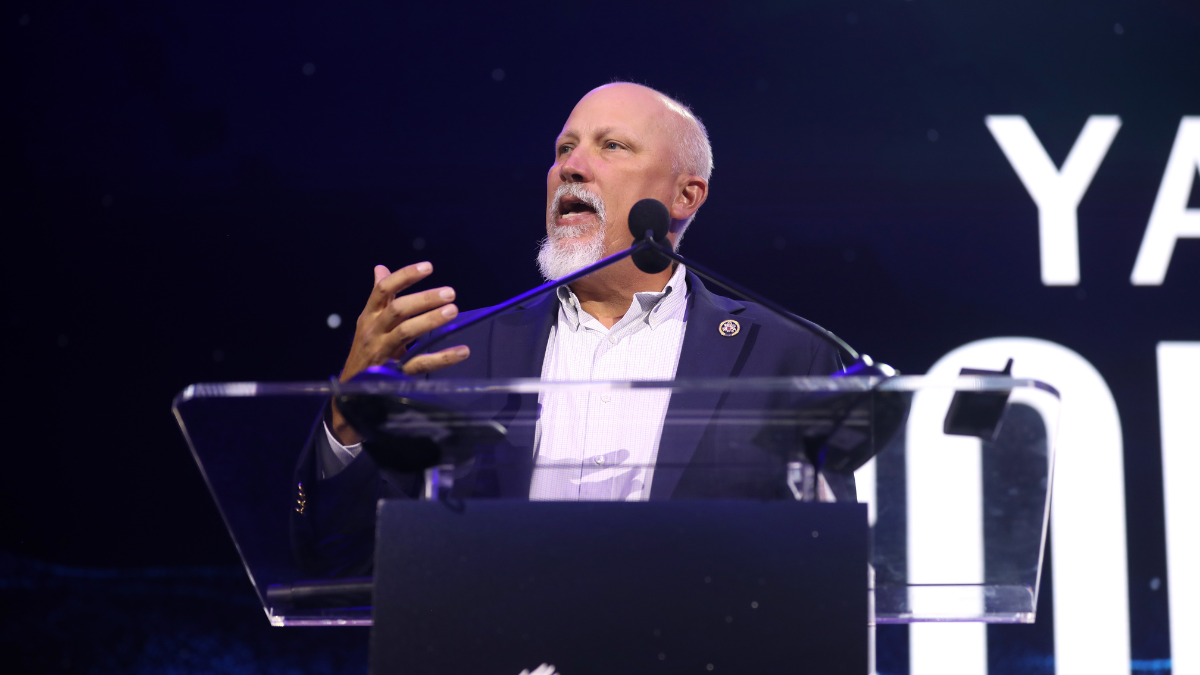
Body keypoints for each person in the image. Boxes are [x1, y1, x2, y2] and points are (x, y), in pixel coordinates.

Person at [291, 83, 850, 576]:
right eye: (564, 149)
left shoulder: (787, 356)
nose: (571, 168)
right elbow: (338, 561)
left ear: (685, 195)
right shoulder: (456, 353)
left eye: (612, 146)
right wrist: (349, 411)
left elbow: (831, 574)